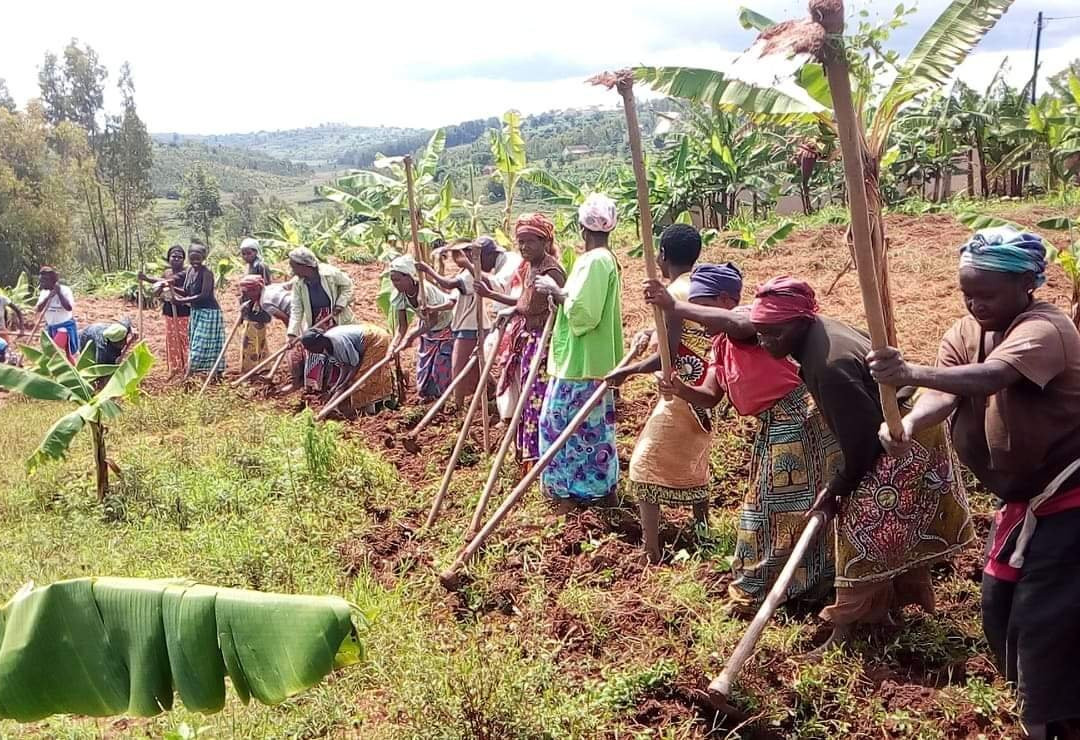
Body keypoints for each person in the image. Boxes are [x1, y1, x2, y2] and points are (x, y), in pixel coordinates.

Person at [867, 227, 1080, 739]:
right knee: (999, 606)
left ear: (1027, 285)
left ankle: (1049, 722)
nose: (974, 302)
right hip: (1021, 505)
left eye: (986, 292)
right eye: (967, 291)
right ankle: (1051, 709)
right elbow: (947, 394)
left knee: (1043, 622)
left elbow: (990, 378)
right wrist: (912, 422)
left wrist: (910, 371)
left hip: (1068, 501)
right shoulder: (965, 331)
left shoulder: (1045, 329)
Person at [749, 276, 972, 649]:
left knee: (860, 532)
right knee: (887, 527)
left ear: (800, 322)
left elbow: (863, 445)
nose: (764, 342)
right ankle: (886, 610)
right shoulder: (820, 329)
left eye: (773, 333)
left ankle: (845, 634)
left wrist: (836, 490)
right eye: (760, 333)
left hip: (900, 439)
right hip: (900, 426)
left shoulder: (828, 366)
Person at [642, 264, 839, 609]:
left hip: (799, 420)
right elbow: (710, 395)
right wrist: (680, 389)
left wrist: (674, 306)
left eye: (703, 307)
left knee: (775, 506)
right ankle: (786, 584)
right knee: (770, 506)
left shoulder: (751, 321)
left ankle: (773, 588)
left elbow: (736, 322)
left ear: (725, 299)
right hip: (773, 425)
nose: (700, 320)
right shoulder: (719, 345)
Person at [606, 225, 714, 562]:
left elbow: (671, 350)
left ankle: (650, 549)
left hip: (680, 389)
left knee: (644, 464)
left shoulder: (674, 295)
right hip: (706, 387)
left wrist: (628, 370)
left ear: (662, 256)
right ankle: (703, 531)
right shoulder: (699, 286)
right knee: (695, 457)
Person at [534, 193, 624, 510]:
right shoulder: (594, 260)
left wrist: (555, 291)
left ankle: (580, 494)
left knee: (563, 428)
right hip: (578, 360)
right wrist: (558, 296)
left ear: (582, 226)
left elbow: (586, 314)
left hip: (583, 364)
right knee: (584, 430)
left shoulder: (598, 260)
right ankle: (587, 492)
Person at [477, 213, 566, 466]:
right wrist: (513, 309)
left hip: (545, 344)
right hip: (527, 339)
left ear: (544, 241)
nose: (524, 247)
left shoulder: (551, 270)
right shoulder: (528, 267)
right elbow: (525, 302)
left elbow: (560, 308)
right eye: (520, 242)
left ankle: (542, 458)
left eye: (530, 242)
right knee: (526, 400)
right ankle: (528, 456)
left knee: (538, 397)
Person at [417, 239, 490, 405]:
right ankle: (490, 393)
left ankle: (457, 406)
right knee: (473, 368)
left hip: (471, 326)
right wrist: (432, 308)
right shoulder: (464, 272)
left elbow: (447, 284)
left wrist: (428, 269)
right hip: (465, 325)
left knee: (458, 367)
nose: (454, 258)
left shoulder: (471, 274)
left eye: (457, 254)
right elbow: (451, 300)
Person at [387, 255, 456, 401]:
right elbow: (402, 326)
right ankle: (429, 396)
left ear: (410, 277)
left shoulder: (425, 292)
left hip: (445, 326)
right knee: (425, 368)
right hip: (426, 329)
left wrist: (411, 337)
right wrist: (393, 346)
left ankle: (445, 399)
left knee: (440, 366)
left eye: (398, 279)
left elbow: (433, 320)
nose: (395, 284)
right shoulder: (399, 295)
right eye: (392, 280)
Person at [286, 247, 355, 392]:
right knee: (313, 348)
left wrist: (341, 303)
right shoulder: (298, 283)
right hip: (315, 318)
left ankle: (335, 385)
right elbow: (296, 308)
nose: (291, 268)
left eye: (293, 265)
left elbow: (347, 286)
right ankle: (313, 387)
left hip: (335, 316)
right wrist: (292, 333)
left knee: (335, 348)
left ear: (304, 266)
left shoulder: (329, 273)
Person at [299, 323, 396, 415]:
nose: (312, 352)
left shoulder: (339, 343)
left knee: (363, 377)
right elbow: (344, 367)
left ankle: (380, 406)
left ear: (318, 342)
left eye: (311, 349)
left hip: (376, 340)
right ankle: (372, 407)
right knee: (355, 379)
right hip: (366, 342)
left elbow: (354, 365)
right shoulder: (327, 348)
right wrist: (336, 387)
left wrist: (344, 384)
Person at [172, 242, 226, 379]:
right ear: (189, 257)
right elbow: (186, 291)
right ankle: (208, 375)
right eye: (193, 258)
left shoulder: (207, 273)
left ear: (204, 257)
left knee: (200, 346)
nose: (195, 261)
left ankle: (189, 377)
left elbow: (204, 295)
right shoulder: (190, 271)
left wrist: (180, 301)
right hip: (195, 312)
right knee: (195, 343)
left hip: (209, 313)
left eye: (198, 258)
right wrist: (170, 288)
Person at [140, 245, 189, 377]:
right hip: (169, 310)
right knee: (172, 340)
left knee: (184, 339)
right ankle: (174, 369)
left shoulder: (187, 272)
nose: (176, 259)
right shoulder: (166, 272)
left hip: (184, 310)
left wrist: (148, 279)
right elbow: (157, 291)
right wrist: (159, 288)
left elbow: (177, 286)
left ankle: (187, 368)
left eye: (180, 257)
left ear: (184, 259)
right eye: (174, 256)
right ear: (169, 259)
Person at [238, 276, 291, 373]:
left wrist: (291, 333)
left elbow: (285, 318)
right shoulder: (271, 287)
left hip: (297, 314)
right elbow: (291, 284)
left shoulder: (265, 303)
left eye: (246, 293)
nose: (244, 296)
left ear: (256, 290)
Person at [35, 266, 78, 359]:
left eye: (44, 280)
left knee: (53, 352)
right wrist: (49, 297)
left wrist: (59, 293)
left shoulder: (65, 290)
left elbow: (69, 308)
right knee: (67, 356)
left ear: (52, 280)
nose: (41, 283)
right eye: (41, 280)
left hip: (64, 327)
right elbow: (38, 309)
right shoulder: (44, 292)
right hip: (50, 327)